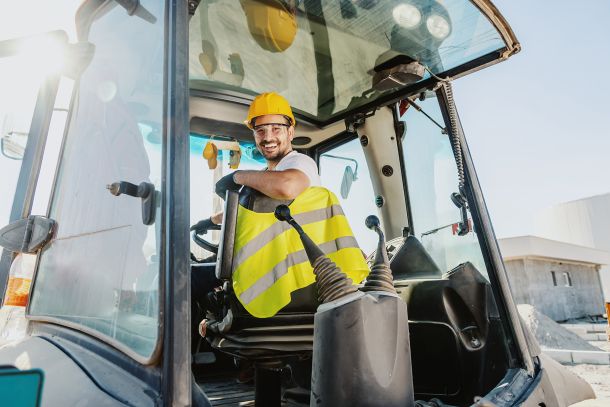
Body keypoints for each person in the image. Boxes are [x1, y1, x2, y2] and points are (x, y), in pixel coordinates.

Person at [192, 92, 321, 337]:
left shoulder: (300, 164)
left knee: (187, 278)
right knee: (204, 278)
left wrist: (237, 176)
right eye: (261, 130)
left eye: (276, 128)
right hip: (267, 265)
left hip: (285, 271)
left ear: (290, 132)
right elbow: (244, 208)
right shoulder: (267, 175)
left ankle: (177, 365)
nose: (268, 137)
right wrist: (208, 221)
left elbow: (287, 186)